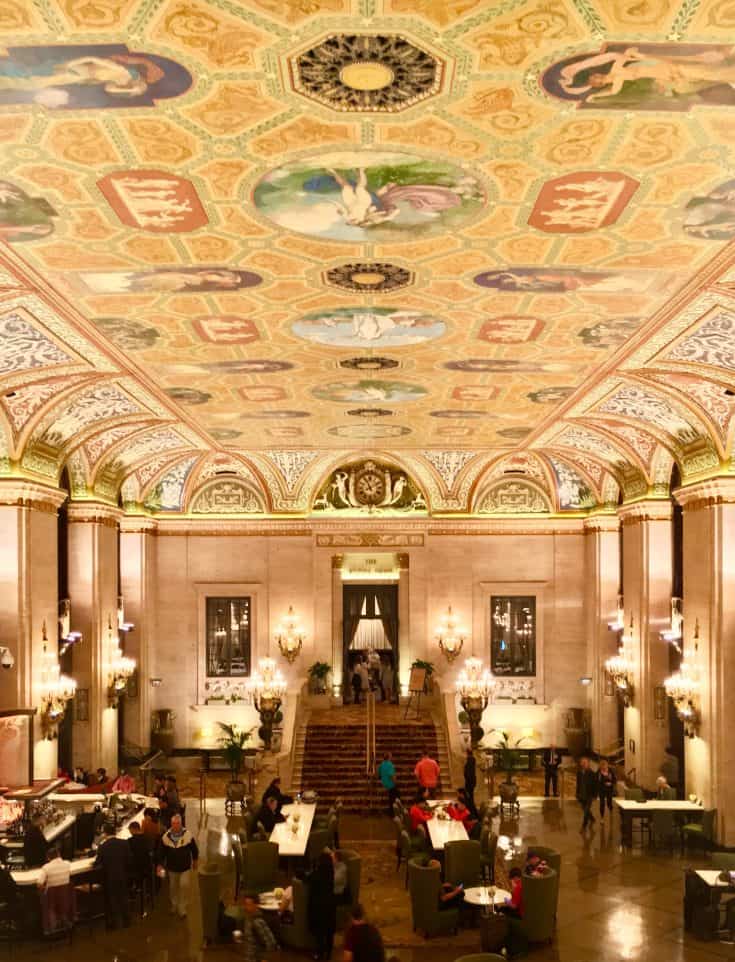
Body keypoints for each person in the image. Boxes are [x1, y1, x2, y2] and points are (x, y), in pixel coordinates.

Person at [159, 813, 198, 919]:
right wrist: (160, 865)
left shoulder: (188, 835)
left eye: (178, 823)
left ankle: (182, 907)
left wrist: (195, 861)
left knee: (184, 885)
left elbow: (194, 849)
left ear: (181, 824)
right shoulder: (165, 837)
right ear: (171, 824)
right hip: (172, 867)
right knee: (173, 887)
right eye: (174, 823)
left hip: (185, 866)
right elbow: (161, 853)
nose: (176, 825)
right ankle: (174, 905)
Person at [94, 822, 132, 929]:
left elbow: (98, 863)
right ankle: (126, 920)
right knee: (124, 896)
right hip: (123, 875)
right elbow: (129, 859)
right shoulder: (124, 843)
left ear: (105, 833)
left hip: (110, 877)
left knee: (113, 899)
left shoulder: (103, 847)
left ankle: (115, 922)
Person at [307, 850, 337, 960]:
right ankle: (329, 954)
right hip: (330, 905)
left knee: (320, 933)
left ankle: (319, 954)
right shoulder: (331, 873)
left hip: (319, 907)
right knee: (329, 932)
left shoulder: (317, 874)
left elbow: (307, 879)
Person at [37, 846, 74, 935]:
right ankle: (65, 920)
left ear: (48, 858)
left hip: (51, 898)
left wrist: (43, 892)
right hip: (65, 896)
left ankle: (50, 929)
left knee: (47, 902)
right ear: (59, 854)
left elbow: (39, 883)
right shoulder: (67, 864)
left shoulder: (46, 868)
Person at [240, 892, 277, 962]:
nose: (245, 907)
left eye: (248, 905)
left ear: (256, 905)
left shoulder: (257, 922)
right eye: (245, 904)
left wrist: (265, 958)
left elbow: (271, 942)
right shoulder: (248, 919)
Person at [128, 820, 153, 894]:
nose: (130, 832)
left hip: (136, 871)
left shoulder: (130, 841)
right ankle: (146, 890)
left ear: (133, 829)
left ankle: (133, 892)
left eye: (130, 830)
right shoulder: (148, 838)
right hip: (147, 868)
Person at [576, 756, 598, 831]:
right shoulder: (579, 773)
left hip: (589, 795)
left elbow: (595, 785)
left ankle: (583, 826)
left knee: (586, 811)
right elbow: (578, 784)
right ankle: (592, 818)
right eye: (582, 762)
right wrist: (577, 793)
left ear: (588, 764)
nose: (583, 764)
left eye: (585, 762)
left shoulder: (592, 773)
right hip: (582, 794)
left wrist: (595, 795)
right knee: (584, 809)